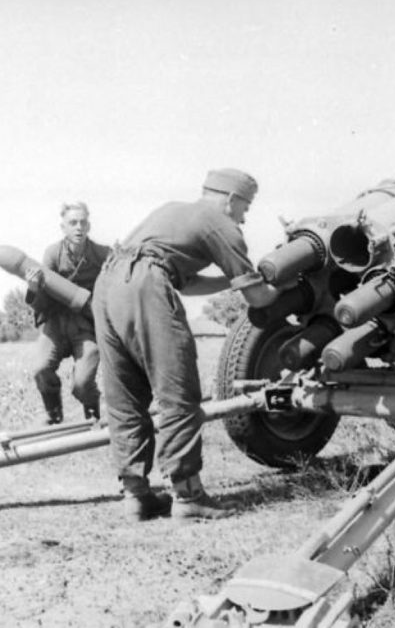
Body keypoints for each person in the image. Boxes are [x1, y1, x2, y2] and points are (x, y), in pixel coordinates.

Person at [91, 168, 280, 522]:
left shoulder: (174, 211)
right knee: (177, 390)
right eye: (246, 207)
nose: (245, 216)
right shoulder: (221, 223)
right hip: (145, 285)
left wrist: (232, 280)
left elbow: (188, 282)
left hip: (109, 285)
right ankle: (188, 495)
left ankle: (136, 496)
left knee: (126, 396)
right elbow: (257, 298)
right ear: (230, 200)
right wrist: (280, 285)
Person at [27, 201, 111, 425]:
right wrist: (33, 288)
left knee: (82, 383)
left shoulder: (102, 254)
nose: (78, 227)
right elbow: (41, 301)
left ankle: (92, 414)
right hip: (56, 324)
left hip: (86, 326)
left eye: (83, 222)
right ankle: (53, 414)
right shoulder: (53, 254)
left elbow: (116, 288)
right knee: (41, 369)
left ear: (89, 226)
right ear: (62, 227)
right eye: (72, 223)